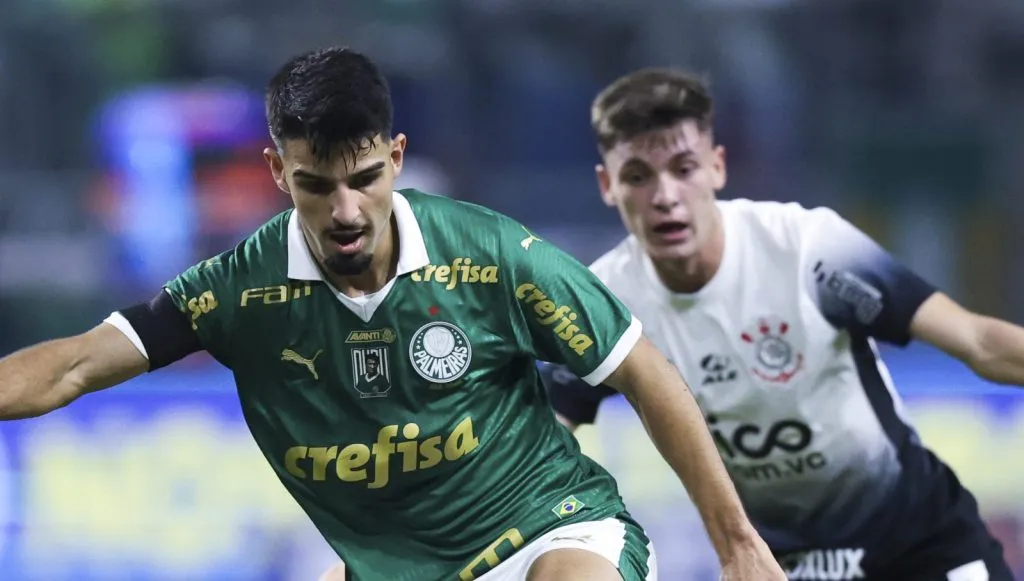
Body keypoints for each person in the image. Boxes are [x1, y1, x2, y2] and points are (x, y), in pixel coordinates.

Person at [0, 48, 786, 581]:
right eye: (315, 185)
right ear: (277, 170)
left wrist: (738, 544)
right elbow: (74, 365)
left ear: (397, 157)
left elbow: (644, 371)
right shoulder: (240, 290)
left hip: (553, 527)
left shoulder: (492, 254)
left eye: (366, 178)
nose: (345, 211)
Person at [541, 67, 1023, 581]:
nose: (665, 196)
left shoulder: (810, 250)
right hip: (783, 566)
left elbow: (978, 341)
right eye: (638, 176)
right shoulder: (604, 304)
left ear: (717, 167)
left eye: (684, 169)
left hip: (922, 544)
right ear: (607, 185)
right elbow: (541, 436)